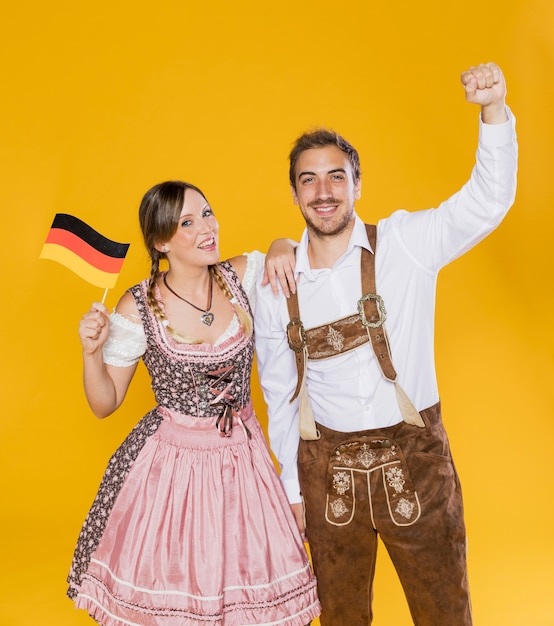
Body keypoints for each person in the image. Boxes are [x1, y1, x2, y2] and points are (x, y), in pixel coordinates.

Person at [254, 62, 518, 625]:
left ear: (357, 184)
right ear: (294, 192)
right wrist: (292, 492)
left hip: (416, 464)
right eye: (308, 179)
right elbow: (278, 394)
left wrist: (493, 111)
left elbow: (487, 202)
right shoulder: (275, 280)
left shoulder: (406, 243)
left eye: (335, 177)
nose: (323, 192)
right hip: (328, 479)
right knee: (341, 619)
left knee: (445, 613)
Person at [66, 180, 321, 625]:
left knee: (248, 588)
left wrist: (282, 243)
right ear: (162, 242)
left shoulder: (241, 275)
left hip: (243, 458)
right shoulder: (137, 305)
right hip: (170, 466)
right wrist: (91, 353)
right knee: (176, 592)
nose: (207, 228)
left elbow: (297, 259)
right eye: (188, 222)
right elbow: (104, 403)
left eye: (207, 213)